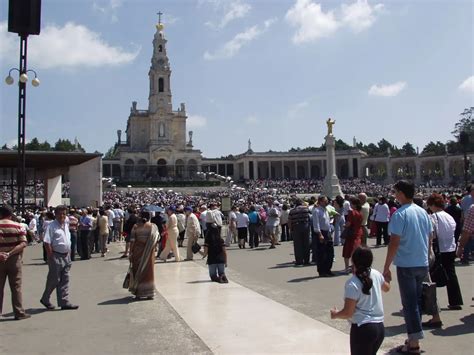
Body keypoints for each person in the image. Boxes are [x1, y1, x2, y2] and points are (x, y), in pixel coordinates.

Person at [383, 180, 432, 354]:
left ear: (402, 193)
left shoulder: (399, 214)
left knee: (409, 304)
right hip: (422, 262)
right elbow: (429, 237)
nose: (394, 195)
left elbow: (394, 242)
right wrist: (427, 255)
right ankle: (413, 337)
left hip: (406, 264)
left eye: (396, 192)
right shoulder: (423, 212)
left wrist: (386, 266)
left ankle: (414, 344)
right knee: (416, 302)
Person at [331, 247, 390, 355]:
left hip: (363, 329)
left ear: (353, 261)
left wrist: (335, 315)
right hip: (379, 328)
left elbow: (348, 313)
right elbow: (387, 288)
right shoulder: (376, 274)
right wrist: (387, 278)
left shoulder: (352, 283)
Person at [423, 194, 463, 328]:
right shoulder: (448, 216)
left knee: (431, 279)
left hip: (440, 249)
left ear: (432, 204)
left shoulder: (433, 217)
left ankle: (431, 306)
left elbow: (432, 234)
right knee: (451, 274)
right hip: (451, 247)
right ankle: (455, 300)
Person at [40, 205, 79, 311]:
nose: (62, 216)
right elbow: (47, 242)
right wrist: (50, 256)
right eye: (60, 214)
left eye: (64, 214)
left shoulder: (66, 223)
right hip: (56, 255)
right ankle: (45, 298)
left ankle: (64, 302)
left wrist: (69, 252)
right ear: (56, 215)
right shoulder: (51, 226)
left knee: (65, 279)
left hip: (66, 255)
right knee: (54, 279)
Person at [0, 205, 30, 320]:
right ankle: (19, 312)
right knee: (16, 287)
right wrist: (10, 253)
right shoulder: (18, 226)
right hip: (14, 260)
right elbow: (23, 243)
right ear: (11, 214)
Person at [128, 211, 159, 300]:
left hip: (138, 251)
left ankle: (139, 293)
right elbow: (156, 239)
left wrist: (130, 253)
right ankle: (150, 293)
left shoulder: (136, 227)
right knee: (149, 271)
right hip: (149, 252)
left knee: (138, 270)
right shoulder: (153, 227)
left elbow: (132, 241)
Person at [313, 195, 334, 277]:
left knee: (330, 253)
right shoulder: (316, 211)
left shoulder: (325, 210)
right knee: (322, 253)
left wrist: (329, 231)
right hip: (321, 233)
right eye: (325, 201)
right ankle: (322, 271)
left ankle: (328, 269)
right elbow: (316, 224)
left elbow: (328, 221)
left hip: (327, 232)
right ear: (320, 201)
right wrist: (320, 234)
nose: (327, 202)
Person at [342, 197, 364, 273]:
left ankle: (347, 268)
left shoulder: (351, 212)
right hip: (358, 233)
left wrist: (344, 225)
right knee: (355, 251)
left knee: (347, 252)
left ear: (354, 205)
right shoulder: (360, 213)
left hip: (351, 234)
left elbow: (348, 223)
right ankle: (354, 267)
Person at [288, 198, 311, 266]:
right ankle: (306, 260)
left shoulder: (292, 211)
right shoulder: (306, 209)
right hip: (305, 226)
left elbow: (289, 221)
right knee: (306, 244)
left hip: (296, 227)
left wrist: (291, 229)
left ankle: (299, 261)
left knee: (297, 245)